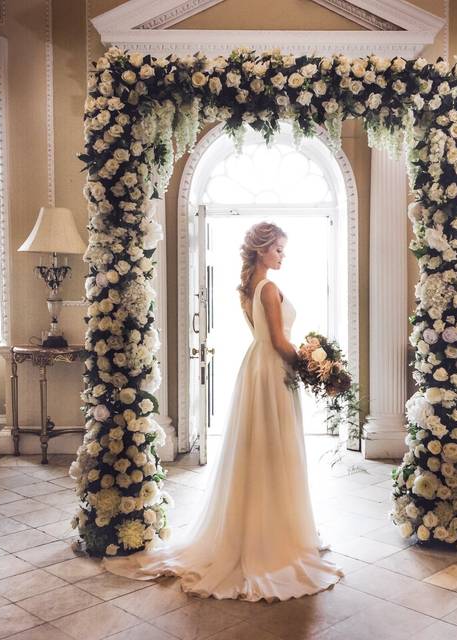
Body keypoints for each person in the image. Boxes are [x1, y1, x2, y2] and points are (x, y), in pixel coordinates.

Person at [104, 221, 343, 601]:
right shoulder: (267, 288)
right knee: (273, 449)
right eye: (278, 248)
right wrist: (316, 366)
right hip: (272, 368)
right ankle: (274, 538)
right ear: (262, 250)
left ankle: (268, 527)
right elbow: (280, 341)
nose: (283, 255)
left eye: (283, 249)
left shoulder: (248, 287)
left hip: (257, 367)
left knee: (262, 448)